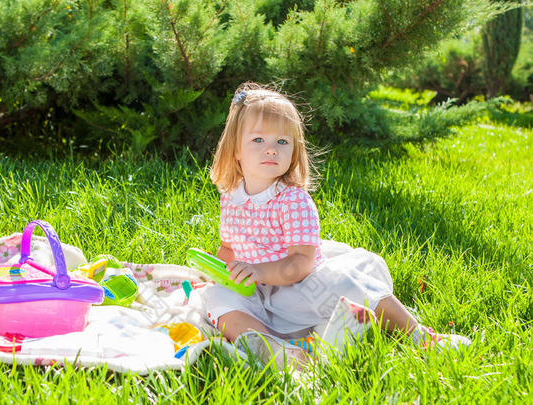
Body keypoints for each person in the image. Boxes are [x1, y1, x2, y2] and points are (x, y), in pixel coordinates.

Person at [201, 82, 471, 367]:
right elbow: (229, 247)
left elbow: (301, 264)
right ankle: (277, 350)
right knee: (215, 298)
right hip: (256, 293)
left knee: (345, 282)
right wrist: (220, 272)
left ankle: (421, 337)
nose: (271, 150)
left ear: (294, 151)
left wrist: (258, 271)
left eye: (282, 142)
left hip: (299, 291)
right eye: (258, 140)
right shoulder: (231, 197)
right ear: (236, 150)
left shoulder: (292, 201)